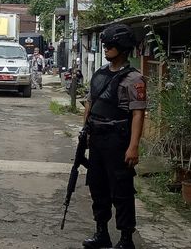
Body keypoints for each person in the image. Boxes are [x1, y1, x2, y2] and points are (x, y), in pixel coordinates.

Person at [82, 24, 146, 249]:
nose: (107, 49)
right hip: (97, 139)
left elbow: (138, 114)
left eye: (111, 45)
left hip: (118, 140)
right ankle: (102, 233)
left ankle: (126, 238)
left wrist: (134, 146)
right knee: (97, 187)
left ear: (123, 48)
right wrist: (85, 131)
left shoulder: (134, 79)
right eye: (106, 45)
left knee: (121, 190)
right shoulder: (99, 74)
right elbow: (90, 103)